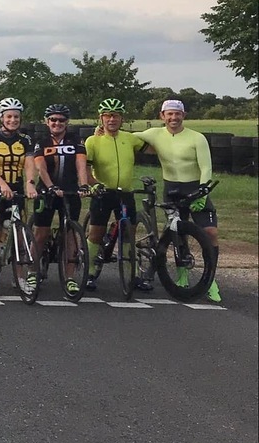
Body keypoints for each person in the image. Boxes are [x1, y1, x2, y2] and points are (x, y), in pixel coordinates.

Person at [134, 99, 222, 302]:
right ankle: (182, 275)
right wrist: (100, 131)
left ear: (184, 115)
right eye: (169, 114)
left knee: (210, 232)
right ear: (162, 116)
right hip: (172, 190)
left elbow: (206, 167)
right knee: (178, 233)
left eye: (177, 114)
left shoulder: (197, 138)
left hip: (195, 188)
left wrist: (203, 192)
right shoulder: (154, 134)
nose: (174, 118)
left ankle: (210, 279)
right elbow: (126, 138)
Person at [83, 97, 144, 292]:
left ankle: (131, 275)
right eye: (107, 116)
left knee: (128, 234)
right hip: (103, 192)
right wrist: (93, 184)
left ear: (122, 118)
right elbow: (85, 169)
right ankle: (89, 273)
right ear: (101, 118)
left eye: (115, 115)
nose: (111, 119)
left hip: (125, 193)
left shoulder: (130, 138)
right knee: (95, 234)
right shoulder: (93, 141)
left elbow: (155, 146)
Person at [31, 103, 91, 298]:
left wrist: (84, 185)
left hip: (70, 191)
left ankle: (70, 277)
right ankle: (32, 272)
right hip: (47, 192)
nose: (57, 123)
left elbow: (81, 163)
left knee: (71, 233)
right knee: (41, 233)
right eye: (53, 120)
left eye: (61, 120)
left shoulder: (75, 139)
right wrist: (50, 187)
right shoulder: (41, 141)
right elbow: (40, 167)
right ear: (47, 121)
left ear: (67, 122)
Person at [0, 98, 37, 297]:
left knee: (20, 236)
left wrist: (30, 183)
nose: (13, 120)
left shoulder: (26, 139)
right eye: (9, 116)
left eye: (16, 117)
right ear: (1, 118)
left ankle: (20, 278)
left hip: (17, 190)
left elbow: (29, 164)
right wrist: (2, 185)